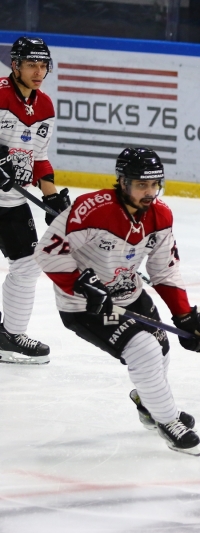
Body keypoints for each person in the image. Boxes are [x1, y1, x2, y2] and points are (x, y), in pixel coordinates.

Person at [34, 147, 200, 455]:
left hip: (130, 295)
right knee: (143, 349)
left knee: (161, 351)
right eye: (142, 184)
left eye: (155, 184)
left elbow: (164, 271)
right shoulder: (91, 208)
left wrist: (186, 318)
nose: (150, 192)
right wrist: (80, 283)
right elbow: (47, 252)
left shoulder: (161, 216)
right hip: (85, 305)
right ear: (123, 182)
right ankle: (167, 420)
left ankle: (149, 404)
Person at [0, 36, 71, 364]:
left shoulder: (44, 105)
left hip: (11, 200)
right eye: (32, 64)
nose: (39, 71)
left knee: (27, 264)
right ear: (15, 65)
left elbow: (39, 158)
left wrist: (52, 197)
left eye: (44, 65)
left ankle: (10, 335)